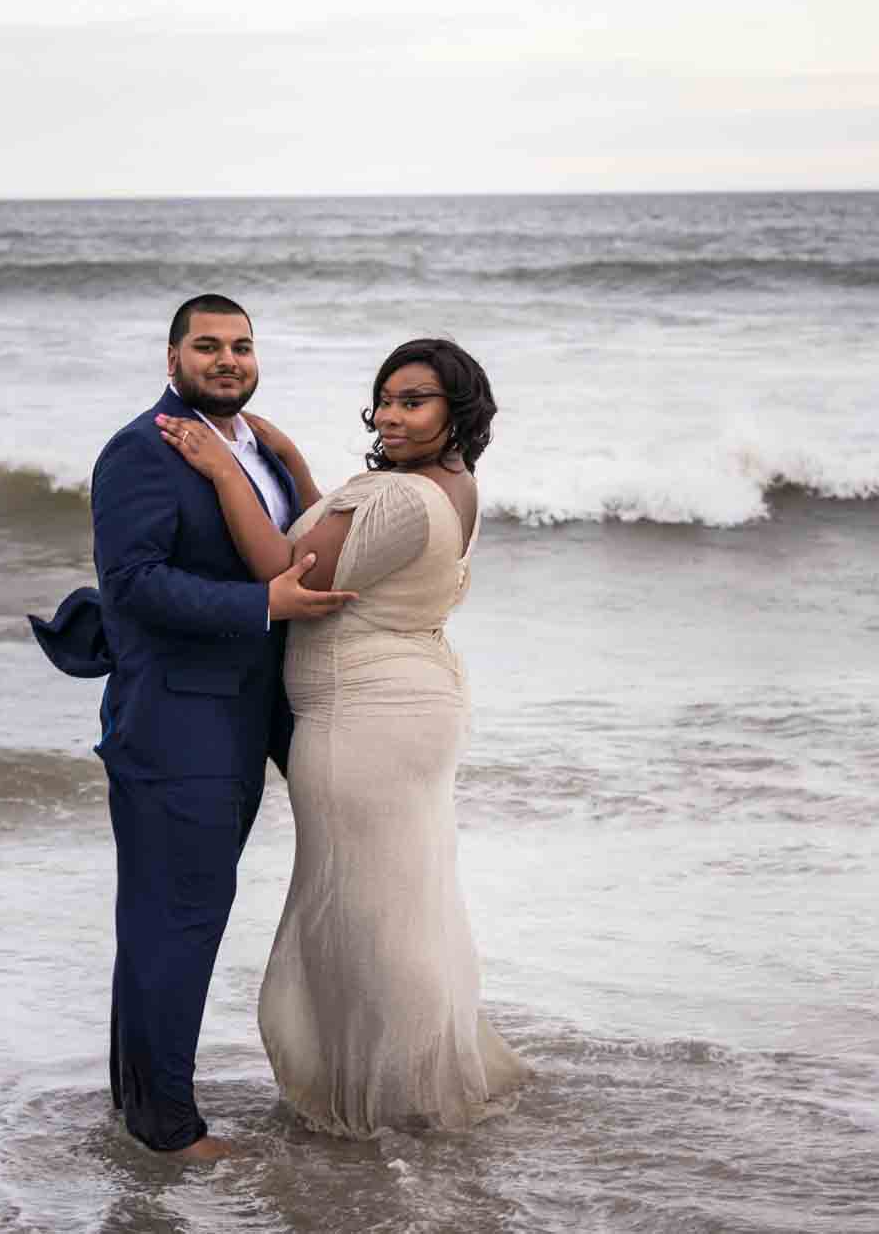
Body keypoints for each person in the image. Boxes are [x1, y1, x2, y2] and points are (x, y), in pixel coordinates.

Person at [156, 337, 530, 1139]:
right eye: (385, 398)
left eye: (414, 400)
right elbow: (350, 540)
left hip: (364, 719)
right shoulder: (450, 484)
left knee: (363, 911)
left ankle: (392, 1099)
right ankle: (415, 1081)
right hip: (410, 704)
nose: (392, 415)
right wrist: (289, 459)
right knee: (401, 900)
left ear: (455, 409)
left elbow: (289, 572)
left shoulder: (399, 498)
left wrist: (226, 470)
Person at [32, 294, 356, 1161]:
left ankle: (137, 1103)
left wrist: (287, 457)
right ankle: (168, 1130)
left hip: (242, 715)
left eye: (242, 346)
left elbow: (296, 545)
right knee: (178, 918)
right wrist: (266, 602)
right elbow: (134, 585)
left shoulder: (251, 446)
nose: (228, 360)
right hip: (176, 723)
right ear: (171, 356)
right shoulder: (142, 450)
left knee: (165, 920)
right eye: (207, 345)